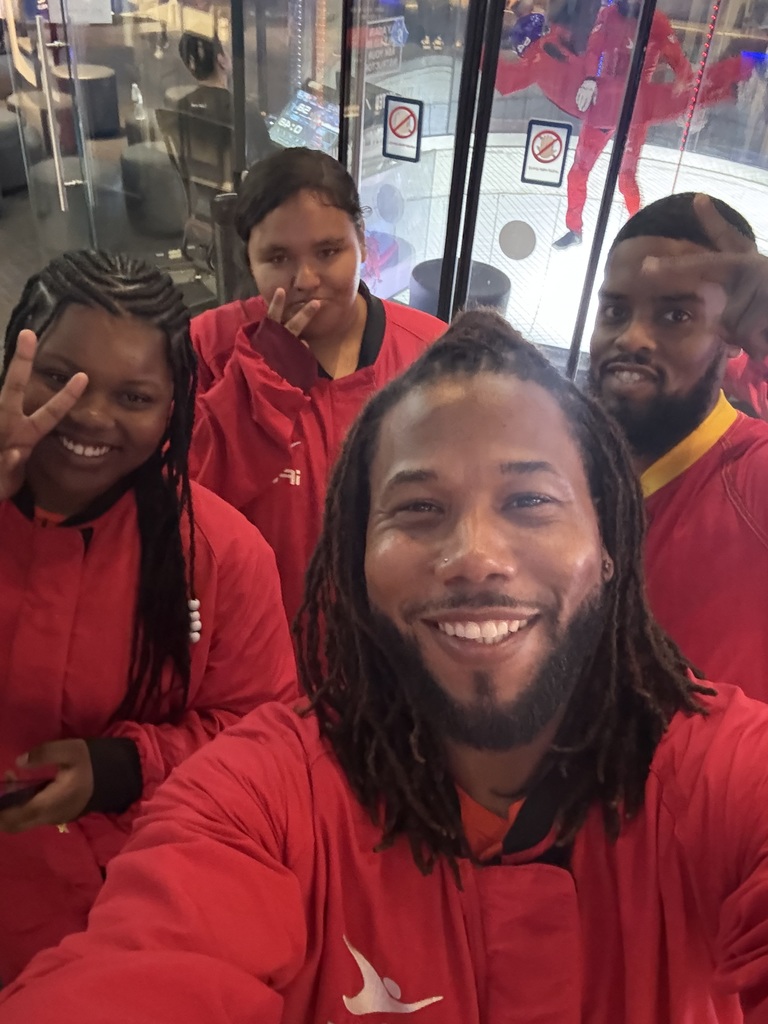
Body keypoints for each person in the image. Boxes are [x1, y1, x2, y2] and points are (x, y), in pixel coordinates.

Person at [4, 310, 768, 1022]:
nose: (474, 556)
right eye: (418, 509)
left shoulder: (720, 771)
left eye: (530, 501)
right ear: (354, 559)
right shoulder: (262, 801)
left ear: (609, 548)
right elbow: (144, 970)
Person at [0, 251, 296, 981]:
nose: (90, 414)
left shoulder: (223, 557)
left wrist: (128, 765)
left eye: (133, 397)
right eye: (60, 376)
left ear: (175, 409)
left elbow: (265, 735)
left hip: (119, 914)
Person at [189, 147, 445, 620]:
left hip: (391, 650)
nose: (306, 279)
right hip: (259, 649)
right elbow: (189, 506)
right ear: (249, 260)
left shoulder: (433, 355)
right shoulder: (209, 346)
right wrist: (262, 379)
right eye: (278, 257)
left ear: (362, 244)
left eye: (328, 252)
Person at [589, 192, 768, 699]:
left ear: (733, 336)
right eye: (615, 310)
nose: (632, 338)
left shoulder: (753, 476)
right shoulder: (562, 463)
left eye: (675, 317)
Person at [552, 1, 694, 249]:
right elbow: (594, 50)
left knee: (626, 178)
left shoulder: (656, 22)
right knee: (578, 171)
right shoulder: (608, 14)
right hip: (605, 104)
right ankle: (575, 229)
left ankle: (638, 234)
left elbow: (680, 64)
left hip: (634, 109)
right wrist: (590, 78)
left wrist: (687, 103)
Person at [177, 31, 275, 164]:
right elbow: (270, 161)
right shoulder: (244, 111)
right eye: (226, 51)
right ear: (221, 60)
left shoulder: (182, 106)